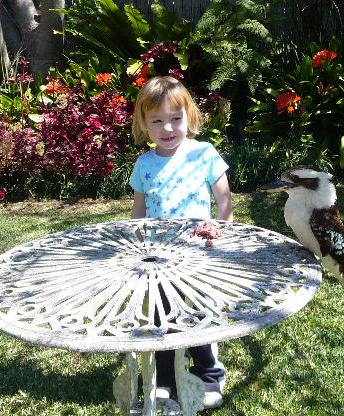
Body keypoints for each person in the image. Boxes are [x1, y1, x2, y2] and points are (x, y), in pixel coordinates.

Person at [129, 75, 233, 409]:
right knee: (160, 320)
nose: (168, 128)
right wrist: (137, 247)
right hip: (159, 257)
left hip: (198, 254)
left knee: (197, 314)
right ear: (144, 124)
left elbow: (224, 201)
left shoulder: (204, 154)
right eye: (157, 121)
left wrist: (221, 231)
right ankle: (165, 381)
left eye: (176, 118)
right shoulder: (144, 165)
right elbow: (139, 212)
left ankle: (209, 375)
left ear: (190, 116)